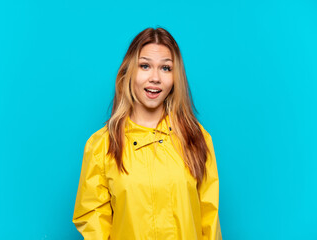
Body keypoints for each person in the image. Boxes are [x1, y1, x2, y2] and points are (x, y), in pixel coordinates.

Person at [72, 27, 222, 240]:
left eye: (166, 68)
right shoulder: (102, 145)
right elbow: (92, 219)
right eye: (145, 66)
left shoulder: (196, 138)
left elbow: (210, 217)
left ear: (175, 76)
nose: (155, 78)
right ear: (129, 71)